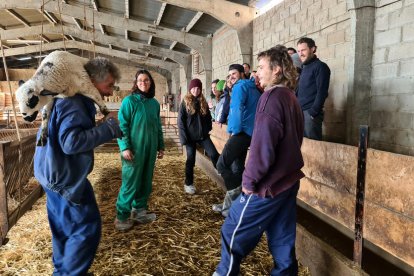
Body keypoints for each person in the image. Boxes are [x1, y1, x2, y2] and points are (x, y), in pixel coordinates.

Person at [213, 45, 305, 276]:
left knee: (232, 229)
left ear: (276, 70)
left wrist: (249, 181)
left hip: (268, 184)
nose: (257, 73)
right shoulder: (291, 98)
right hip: (288, 180)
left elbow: (263, 146)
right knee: (282, 237)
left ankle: (224, 273)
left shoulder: (271, 98)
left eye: (262, 67)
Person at [34, 57, 122, 275]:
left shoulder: (66, 97)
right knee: (86, 228)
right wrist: (110, 127)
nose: (110, 92)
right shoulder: (75, 102)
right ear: (91, 80)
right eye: (108, 85)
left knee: (63, 228)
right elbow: (71, 143)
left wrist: (101, 124)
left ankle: (63, 270)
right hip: (63, 175)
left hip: (51, 171)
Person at [115, 69, 165, 231]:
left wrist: (160, 146)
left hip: (149, 150)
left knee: (145, 180)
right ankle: (122, 216)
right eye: (140, 80)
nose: (143, 83)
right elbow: (122, 125)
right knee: (130, 182)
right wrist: (124, 147)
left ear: (151, 83)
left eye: (146, 80)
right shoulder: (129, 102)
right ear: (136, 84)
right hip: (134, 149)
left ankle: (139, 212)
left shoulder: (154, 104)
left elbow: (158, 126)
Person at [213, 64, 261, 217]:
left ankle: (235, 202)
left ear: (242, 73)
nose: (231, 76)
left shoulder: (240, 87)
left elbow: (236, 109)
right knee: (237, 168)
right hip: (251, 132)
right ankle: (233, 205)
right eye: (230, 74)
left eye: (234, 73)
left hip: (241, 132)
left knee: (221, 164)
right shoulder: (252, 87)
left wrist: (233, 130)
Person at [178, 78, 220, 195]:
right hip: (190, 138)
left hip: (202, 136)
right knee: (191, 159)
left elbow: (208, 118)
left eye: (198, 88)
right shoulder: (184, 103)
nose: (196, 90)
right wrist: (184, 138)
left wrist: (207, 129)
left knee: (214, 153)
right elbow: (180, 121)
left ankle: (219, 169)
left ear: (201, 89)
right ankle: (189, 184)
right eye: (194, 88)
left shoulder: (203, 102)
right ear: (190, 89)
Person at [296, 37, 331, 140]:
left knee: (313, 147)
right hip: (300, 113)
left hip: (310, 115)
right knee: (302, 148)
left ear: (313, 49)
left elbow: (322, 92)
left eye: (303, 50)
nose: (300, 53)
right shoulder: (304, 68)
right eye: (298, 51)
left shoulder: (321, 67)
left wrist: (313, 113)